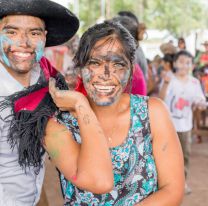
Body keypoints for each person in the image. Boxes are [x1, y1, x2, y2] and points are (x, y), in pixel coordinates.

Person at [44, 21, 184, 205]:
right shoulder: (59, 126)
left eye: (118, 64)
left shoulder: (152, 113)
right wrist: (81, 105)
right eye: (95, 63)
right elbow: (98, 181)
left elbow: (173, 190)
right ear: (79, 68)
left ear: (131, 69)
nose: (106, 74)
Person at [0, 0, 79, 205]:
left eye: (34, 33)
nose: (24, 42)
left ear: (44, 38)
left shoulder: (44, 75)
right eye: (12, 32)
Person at [159, 50, 206, 195]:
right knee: (166, 155)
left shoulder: (194, 82)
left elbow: (200, 100)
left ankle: (182, 183)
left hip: (185, 126)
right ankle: (164, 184)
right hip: (168, 126)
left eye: (188, 63)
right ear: (174, 64)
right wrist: (166, 83)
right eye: (181, 62)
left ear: (192, 65)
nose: (184, 65)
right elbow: (161, 98)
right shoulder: (169, 79)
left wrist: (201, 104)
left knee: (184, 155)